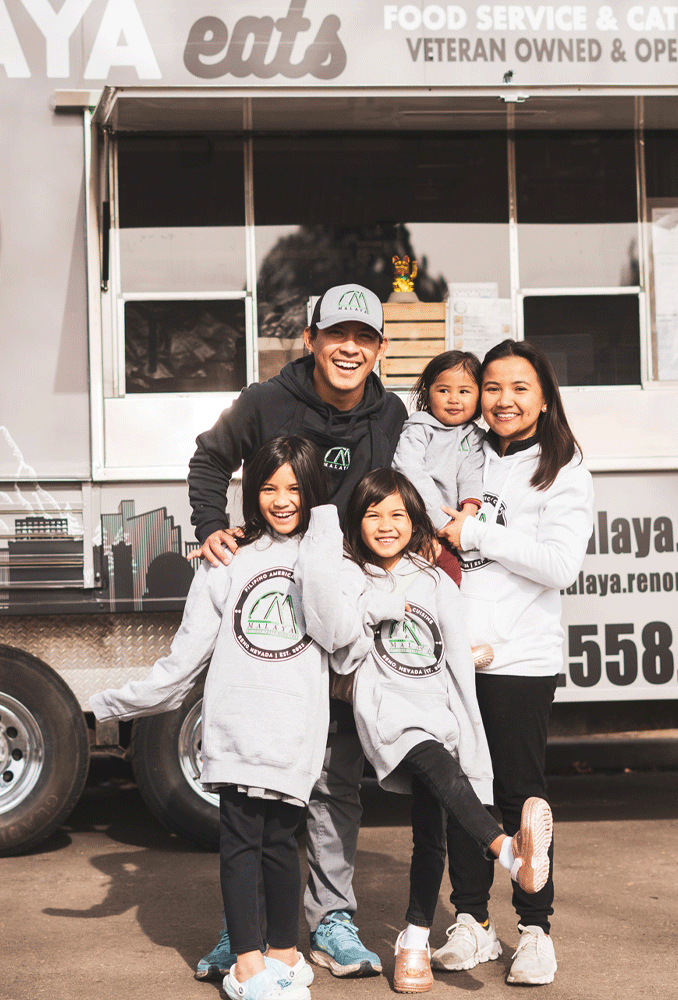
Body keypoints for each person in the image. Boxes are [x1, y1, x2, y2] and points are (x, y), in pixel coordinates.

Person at [187, 284, 407, 979]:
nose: (350, 348)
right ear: (310, 339)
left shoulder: (393, 412)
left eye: (364, 338)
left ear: (378, 348)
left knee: (335, 772)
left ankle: (332, 919)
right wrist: (210, 529)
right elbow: (208, 461)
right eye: (336, 335)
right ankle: (242, 925)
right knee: (256, 780)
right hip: (270, 612)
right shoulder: (264, 401)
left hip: (342, 610)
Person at [90, 437, 338, 1000]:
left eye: (295, 488)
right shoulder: (229, 558)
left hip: (295, 733)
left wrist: (325, 537)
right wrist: (113, 703)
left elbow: (342, 636)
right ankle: (247, 965)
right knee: (241, 842)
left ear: (314, 494)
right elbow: (185, 657)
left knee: (282, 844)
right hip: (236, 728)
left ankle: (283, 952)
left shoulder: (325, 557)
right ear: (251, 492)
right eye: (269, 487)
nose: (281, 499)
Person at [299, 467, 554, 994]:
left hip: (435, 709)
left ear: (416, 520)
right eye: (373, 514)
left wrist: (468, 715)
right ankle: (506, 849)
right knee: (431, 761)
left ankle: (413, 940)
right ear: (355, 523)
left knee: (430, 830)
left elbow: (454, 656)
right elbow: (338, 635)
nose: (386, 525)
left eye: (397, 514)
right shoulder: (348, 573)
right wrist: (336, 546)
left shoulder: (436, 580)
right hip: (385, 712)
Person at [433, 339, 594, 986]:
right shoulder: (462, 454)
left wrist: (475, 535)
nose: (502, 399)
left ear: (544, 397)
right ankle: (472, 925)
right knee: (460, 794)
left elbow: (560, 565)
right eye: (492, 387)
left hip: (520, 660)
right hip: (453, 655)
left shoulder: (563, 468)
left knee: (520, 798)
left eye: (519, 388)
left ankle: (535, 930)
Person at [391, 350, 484, 532]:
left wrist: (468, 514)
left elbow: (471, 474)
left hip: (457, 523)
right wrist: (441, 521)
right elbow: (409, 470)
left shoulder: (475, 435)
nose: (454, 399)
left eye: (464, 391)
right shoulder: (419, 429)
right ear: (427, 395)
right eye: (443, 390)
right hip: (418, 521)